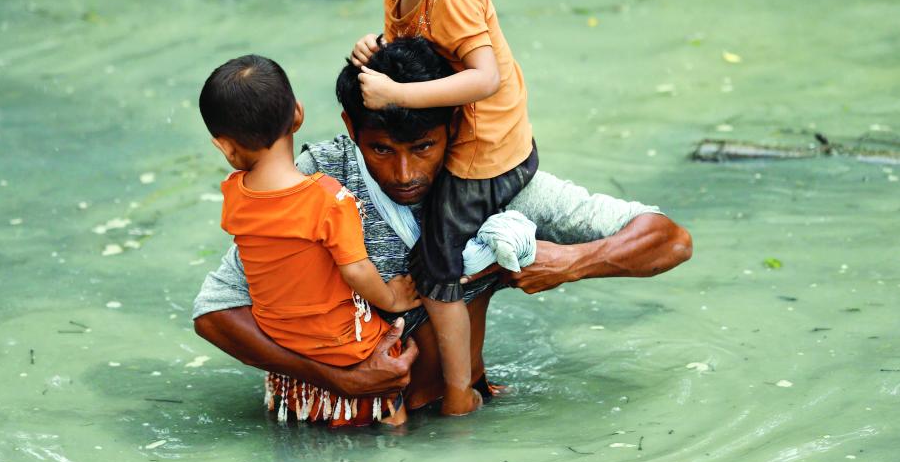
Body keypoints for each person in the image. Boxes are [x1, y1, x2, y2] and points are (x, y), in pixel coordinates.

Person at [193, 39, 693, 413]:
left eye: (424, 148)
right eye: (383, 150)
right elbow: (215, 314)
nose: (405, 174)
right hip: (334, 420)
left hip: (450, 419)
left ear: (454, 127)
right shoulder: (312, 183)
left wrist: (571, 262)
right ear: (350, 129)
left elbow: (669, 240)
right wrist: (335, 377)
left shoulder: (497, 183)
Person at [347, 0, 536, 415]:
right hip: (465, 139)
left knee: (433, 270)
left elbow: (483, 78)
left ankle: (459, 392)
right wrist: (377, 49)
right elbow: (419, 53)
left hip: (484, 153)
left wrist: (398, 94)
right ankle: (469, 371)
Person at [199, 55, 421, 426]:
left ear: (224, 146)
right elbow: (356, 270)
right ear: (298, 115)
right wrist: (393, 297)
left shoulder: (234, 196)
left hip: (288, 362)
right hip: (351, 351)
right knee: (393, 422)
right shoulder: (329, 199)